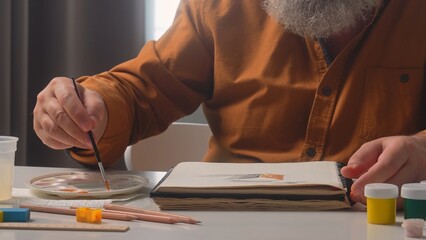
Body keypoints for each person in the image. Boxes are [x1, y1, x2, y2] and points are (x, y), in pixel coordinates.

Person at [33, 0, 426, 206]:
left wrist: (422, 149)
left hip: (377, 221)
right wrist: (94, 105)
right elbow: (141, 90)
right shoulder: (218, 5)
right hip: (223, 219)